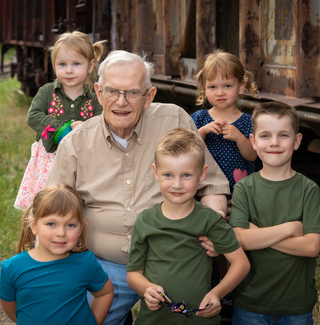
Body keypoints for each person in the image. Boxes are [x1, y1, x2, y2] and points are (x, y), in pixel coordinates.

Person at [46, 50, 231, 325]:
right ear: (97, 92)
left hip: (175, 263)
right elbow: (52, 208)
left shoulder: (174, 121)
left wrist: (214, 226)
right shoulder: (76, 142)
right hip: (104, 268)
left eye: (133, 93)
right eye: (111, 92)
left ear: (150, 96)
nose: (121, 102)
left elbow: (212, 182)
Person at [126, 128, 250, 325]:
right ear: (155, 173)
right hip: (154, 320)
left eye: (186, 175)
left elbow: (241, 264)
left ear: (202, 174)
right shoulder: (146, 221)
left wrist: (217, 293)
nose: (177, 184)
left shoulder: (209, 220)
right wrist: (146, 289)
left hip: (199, 319)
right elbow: (133, 274)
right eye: (168, 175)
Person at [226, 102, 320, 324]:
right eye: (265, 136)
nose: (274, 143)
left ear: (297, 141)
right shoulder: (244, 188)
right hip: (251, 302)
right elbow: (239, 239)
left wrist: (258, 235)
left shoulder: (308, 189)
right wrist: (289, 229)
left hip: (296, 305)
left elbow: (311, 247)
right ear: (252, 141)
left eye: (283, 135)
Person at [14, 31, 106, 210]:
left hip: (83, 160)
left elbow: (104, 123)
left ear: (90, 65)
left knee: (77, 202)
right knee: (48, 203)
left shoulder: (95, 99)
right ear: (54, 65)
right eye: (62, 64)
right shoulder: (47, 92)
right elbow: (33, 116)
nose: (69, 70)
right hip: (50, 159)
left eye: (76, 63)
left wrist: (87, 126)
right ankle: (44, 230)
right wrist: (62, 128)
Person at [0, 184, 114, 325]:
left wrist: (93, 322)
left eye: (70, 225)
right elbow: (12, 309)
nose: (61, 233)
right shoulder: (12, 268)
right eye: (51, 224)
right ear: (34, 226)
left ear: (80, 227)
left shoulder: (86, 263)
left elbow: (105, 293)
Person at [191, 50, 258, 196]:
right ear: (204, 88)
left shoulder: (247, 121)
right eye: (213, 87)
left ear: (240, 86)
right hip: (206, 187)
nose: (220, 92)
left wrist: (239, 137)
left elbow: (253, 156)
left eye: (227, 86)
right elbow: (188, 150)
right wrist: (202, 132)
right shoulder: (199, 118)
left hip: (240, 189)